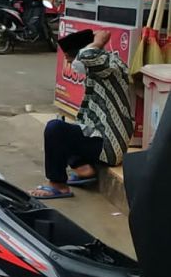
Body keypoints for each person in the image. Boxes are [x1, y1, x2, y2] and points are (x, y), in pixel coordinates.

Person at [29, 29, 133, 199]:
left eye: (71, 60)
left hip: (109, 146)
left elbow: (87, 56)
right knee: (65, 126)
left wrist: (98, 42)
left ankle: (58, 185)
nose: (72, 65)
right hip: (100, 140)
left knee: (55, 129)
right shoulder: (96, 70)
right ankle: (84, 168)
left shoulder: (108, 65)